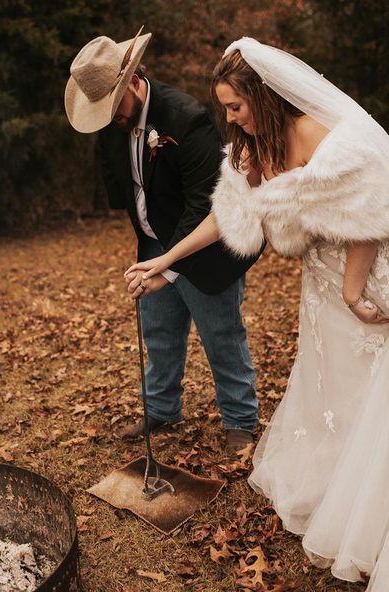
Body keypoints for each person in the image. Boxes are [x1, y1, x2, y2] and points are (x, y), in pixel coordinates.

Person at [125, 37, 389, 590]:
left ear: (266, 97)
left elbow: (371, 213)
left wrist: (352, 292)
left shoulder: (328, 137)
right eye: (225, 107)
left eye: (236, 106)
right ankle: (334, 483)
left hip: (363, 276)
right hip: (321, 283)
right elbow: (224, 217)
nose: (230, 118)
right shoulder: (252, 148)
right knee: (332, 383)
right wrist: (165, 262)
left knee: (373, 391)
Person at [64, 30, 261, 452]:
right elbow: (123, 186)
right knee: (158, 332)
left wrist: (168, 265)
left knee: (221, 334)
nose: (111, 120)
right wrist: (149, 246)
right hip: (153, 242)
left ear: (132, 82)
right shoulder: (112, 124)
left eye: (113, 107)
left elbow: (205, 203)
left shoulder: (185, 117)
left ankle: (241, 420)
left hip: (204, 247)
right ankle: (161, 409)